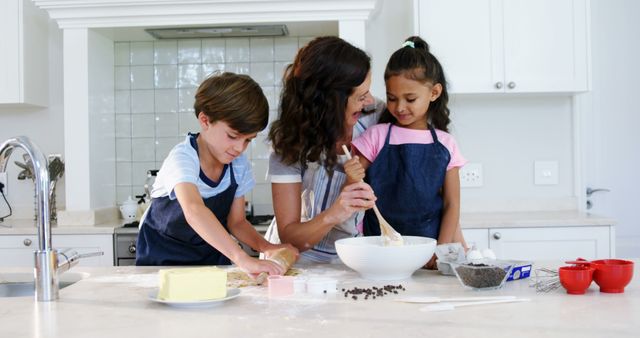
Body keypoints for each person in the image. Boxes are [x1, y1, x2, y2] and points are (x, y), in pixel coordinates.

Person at [136, 72, 297, 275]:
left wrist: (267, 247)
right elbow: (194, 210)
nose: (240, 148)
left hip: (212, 263)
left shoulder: (238, 165)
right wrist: (241, 258)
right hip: (162, 263)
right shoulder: (182, 159)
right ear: (205, 120)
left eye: (248, 140)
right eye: (233, 136)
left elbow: (237, 222)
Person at [345, 36, 467, 268]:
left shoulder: (446, 144)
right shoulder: (376, 136)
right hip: (379, 249)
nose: (399, 107)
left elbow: (452, 205)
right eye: (392, 98)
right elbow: (352, 191)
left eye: (410, 99)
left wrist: (439, 252)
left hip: (428, 250)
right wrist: (351, 177)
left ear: (434, 92)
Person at [267, 36, 382, 263]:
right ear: (332, 101)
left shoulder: (373, 116)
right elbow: (290, 236)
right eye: (360, 96)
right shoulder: (290, 141)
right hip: (296, 260)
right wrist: (336, 212)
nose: (369, 100)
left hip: (350, 258)